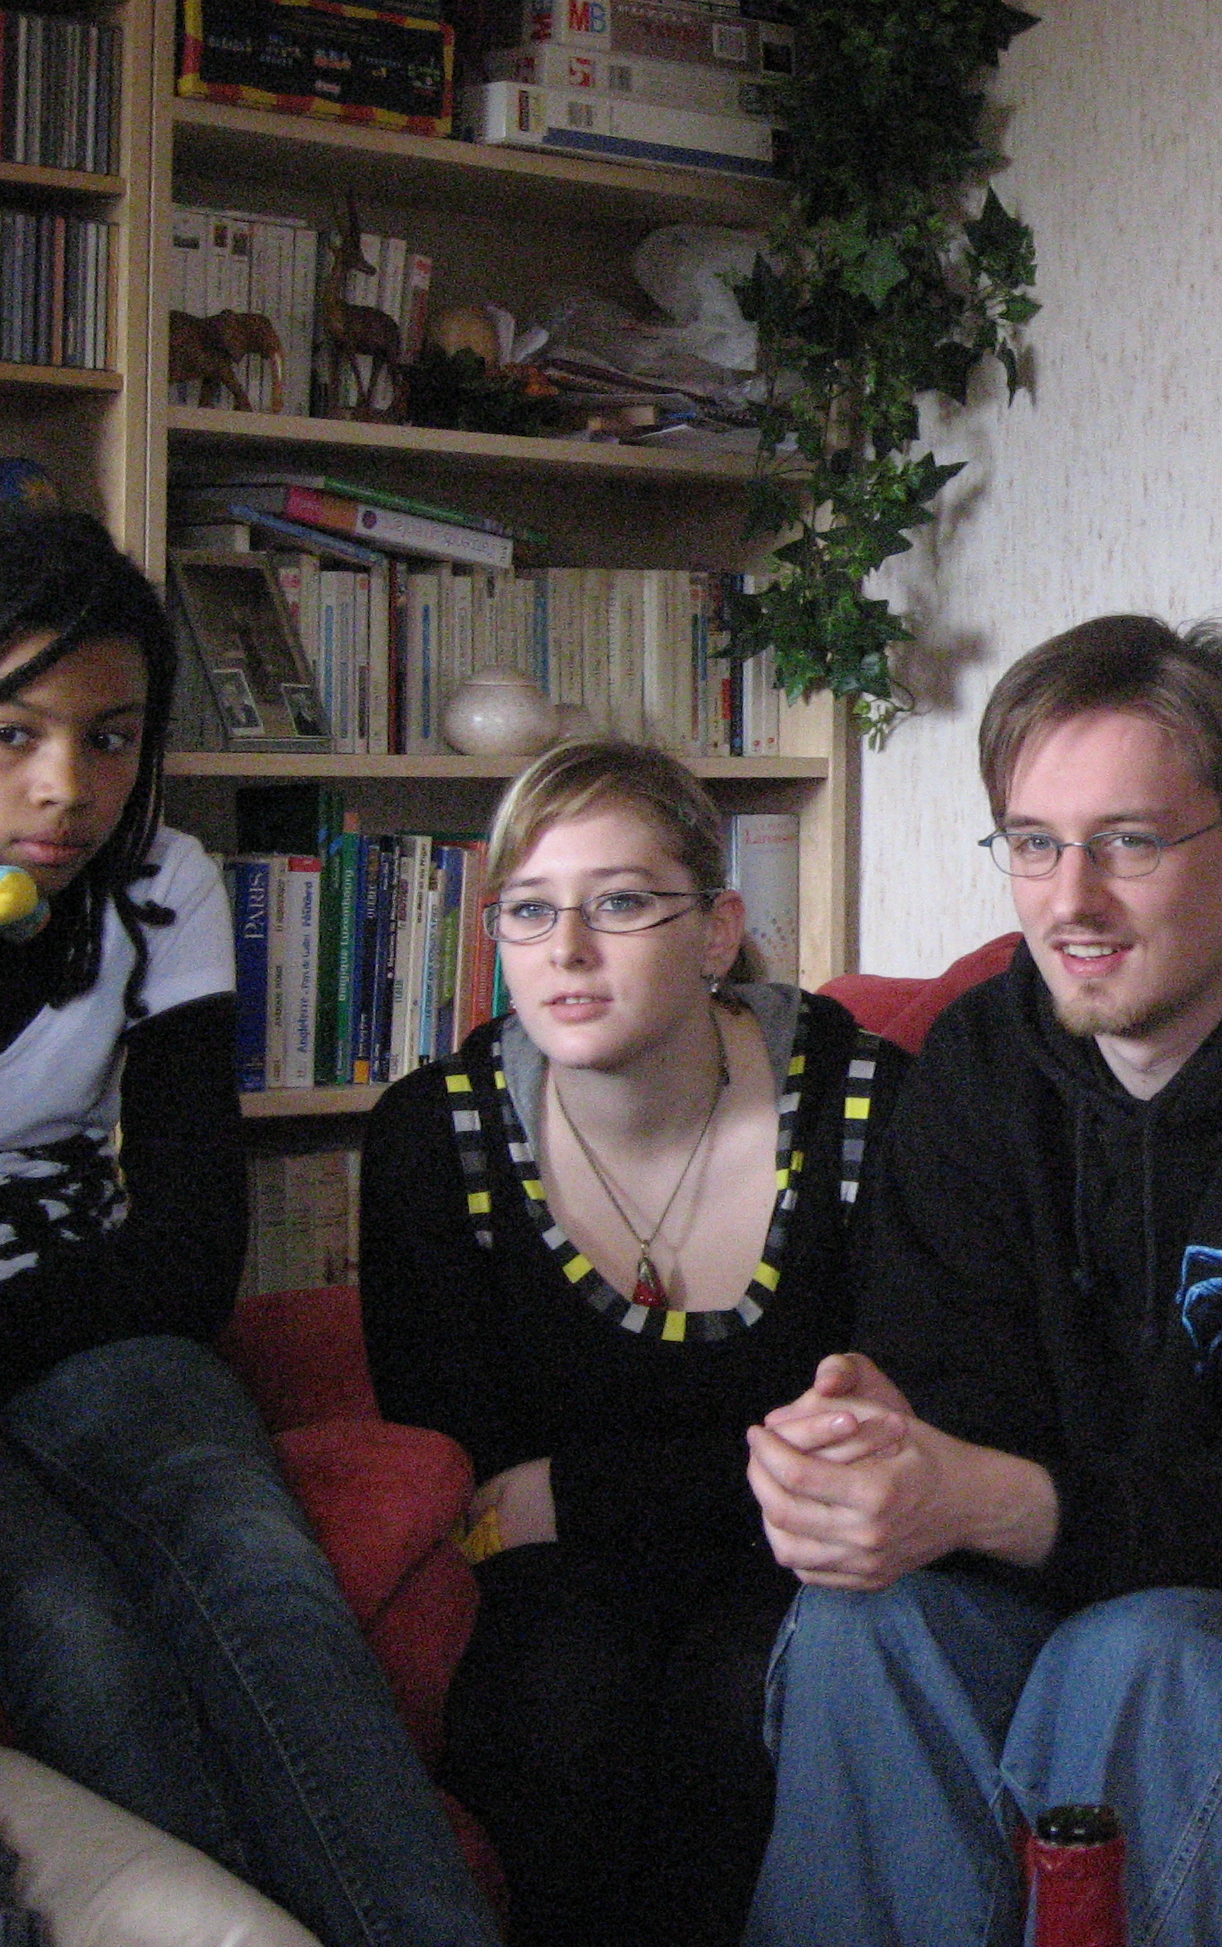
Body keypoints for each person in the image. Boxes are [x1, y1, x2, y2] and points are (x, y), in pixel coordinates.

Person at [740, 615, 1222, 1947]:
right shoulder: (978, 1068)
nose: (1072, 902)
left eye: (1128, 843)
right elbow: (953, 1405)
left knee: (1143, 1659)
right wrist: (871, 1460)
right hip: (1089, 1576)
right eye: (1034, 844)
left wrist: (1005, 1499)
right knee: (864, 1627)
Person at [0, 508, 501, 1947]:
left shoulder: (163, 887)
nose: (67, 787)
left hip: (101, 1318)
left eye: (110, 738)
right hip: (85, 1308)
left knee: (261, 1583)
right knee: (77, 1641)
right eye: (15, 733)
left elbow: (190, 1251)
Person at [359, 740, 906, 1947]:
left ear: (716, 932)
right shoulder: (433, 1138)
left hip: (812, 1566)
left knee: (750, 1691)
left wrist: (576, 1488)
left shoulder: (869, 1106)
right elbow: (467, 1479)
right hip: (563, 1588)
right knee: (559, 1697)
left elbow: (890, 1432)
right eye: (528, 909)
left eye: (617, 904)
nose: (565, 950)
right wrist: (726, 1471)